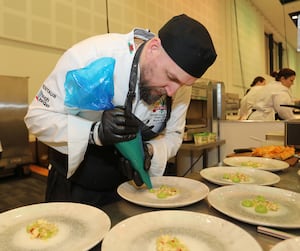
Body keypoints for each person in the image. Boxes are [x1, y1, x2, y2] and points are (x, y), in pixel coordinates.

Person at [24, 14, 217, 208]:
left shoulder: (178, 85)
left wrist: (148, 151)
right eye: (170, 77)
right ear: (153, 48)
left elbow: (174, 136)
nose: (172, 91)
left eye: (183, 84)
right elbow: (37, 117)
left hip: (129, 189)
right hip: (74, 185)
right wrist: (95, 132)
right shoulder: (91, 57)